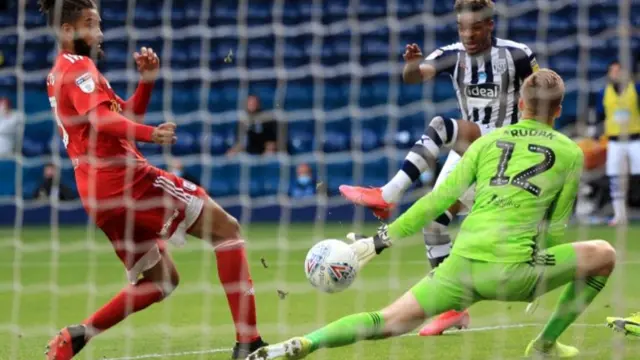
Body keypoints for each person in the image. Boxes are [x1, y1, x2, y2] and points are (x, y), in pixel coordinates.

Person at [248, 69, 616, 359]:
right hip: (517, 272)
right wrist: (544, 273)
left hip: (461, 266)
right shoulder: (570, 152)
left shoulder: (486, 142)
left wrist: (380, 241)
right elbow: (555, 228)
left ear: (520, 104)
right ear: (559, 109)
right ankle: (544, 345)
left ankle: (308, 342)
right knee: (604, 255)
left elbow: (435, 202)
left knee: (386, 320)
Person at [39, 1, 266, 359]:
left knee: (162, 280)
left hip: (97, 195)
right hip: (123, 178)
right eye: (90, 24)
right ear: (68, 30)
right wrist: (150, 134)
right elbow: (104, 122)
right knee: (228, 230)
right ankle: (249, 344)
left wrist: (146, 82)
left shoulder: (62, 72)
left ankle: (79, 335)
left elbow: (121, 116)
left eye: (98, 23)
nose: (99, 32)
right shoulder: (79, 67)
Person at [339, 0, 540, 335]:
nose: (468, 34)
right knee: (433, 225)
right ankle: (453, 309)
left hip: (506, 153)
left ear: (489, 25)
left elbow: (541, 91)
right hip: (471, 155)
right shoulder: (452, 54)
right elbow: (416, 76)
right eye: (462, 27)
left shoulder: (517, 55)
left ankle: (387, 195)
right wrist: (412, 65)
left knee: (442, 126)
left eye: (475, 27)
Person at [595, 60, 640, 226]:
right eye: (612, 71)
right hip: (614, 142)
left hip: (635, 139)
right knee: (615, 178)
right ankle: (619, 216)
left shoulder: (636, 89)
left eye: (618, 71)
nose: (615, 74)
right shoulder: (603, 93)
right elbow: (600, 115)